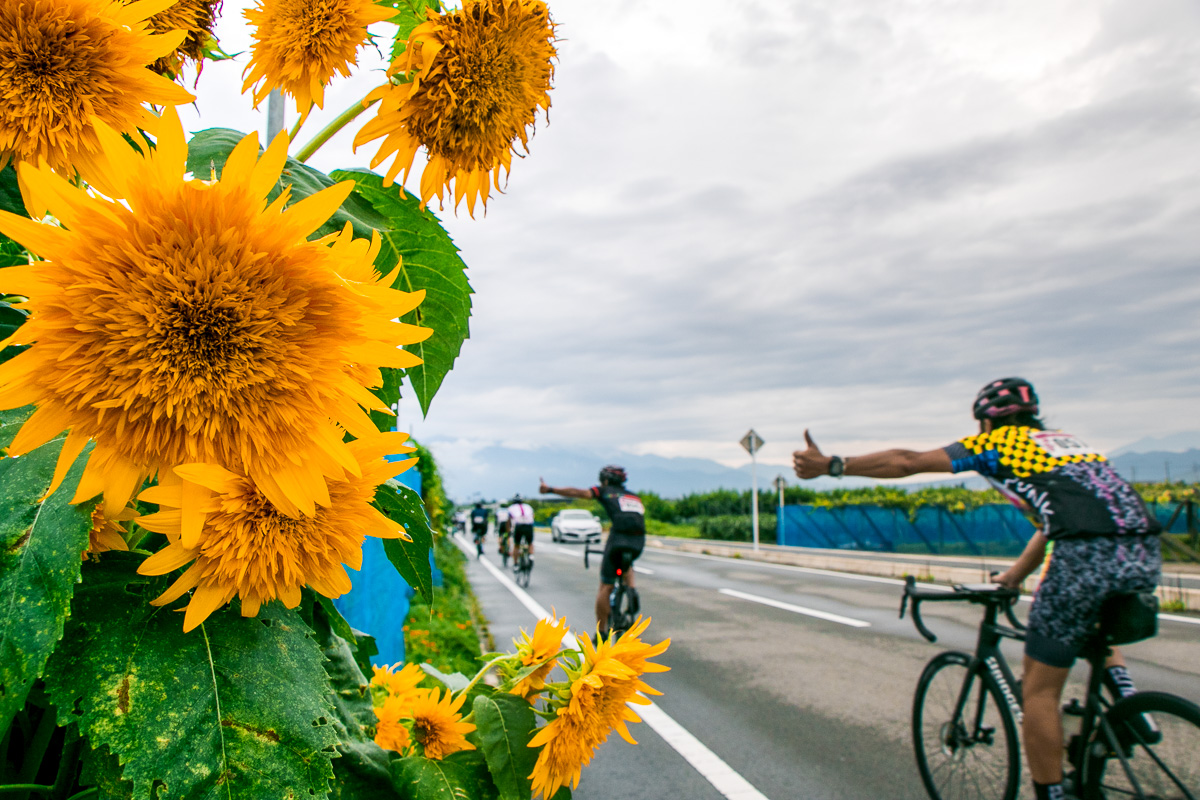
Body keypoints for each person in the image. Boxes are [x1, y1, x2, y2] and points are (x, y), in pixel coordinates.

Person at [792, 377, 1162, 800]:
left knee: (1038, 691)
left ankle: (1052, 794)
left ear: (986, 421)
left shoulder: (998, 444)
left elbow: (907, 461)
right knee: (1093, 625)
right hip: (1143, 549)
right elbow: (1060, 520)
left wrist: (832, 466)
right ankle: (1128, 702)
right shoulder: (1068, 443)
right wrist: (1015, 576)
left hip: (1085, 555)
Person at [539, 465, 646, 637]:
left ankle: (602, 632)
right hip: (639, 542)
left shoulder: (605, 490)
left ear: (605, 480)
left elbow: (577, 493)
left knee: (606, 585)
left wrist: (550, 489)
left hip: (618, 540)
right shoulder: (634, 496)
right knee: (628, 564)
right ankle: (632, 591)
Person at [507, 494, 535, 567]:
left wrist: (509, 530)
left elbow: (509, 521)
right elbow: (533, 516)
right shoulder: (528, 506)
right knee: (530, 543)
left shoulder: (511, 508)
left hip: (519, 526)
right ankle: (531, 556)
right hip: (529, 526)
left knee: (516, 545)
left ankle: (516, 564)